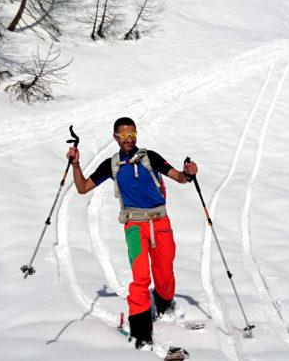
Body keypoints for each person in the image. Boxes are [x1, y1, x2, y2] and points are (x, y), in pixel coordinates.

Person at [67, 117, 198, 348]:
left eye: (132, 136)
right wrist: (76, 165)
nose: (128, 140)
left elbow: (178, 177)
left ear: (136, 135)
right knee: (140, 276)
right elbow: (82, 188)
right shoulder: (112, 164)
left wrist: (188, 173)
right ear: (115, 137)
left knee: (165, 271)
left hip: (160, 222)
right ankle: (140, 328)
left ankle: (164, 303)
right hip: (134, 226)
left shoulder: (151, 157)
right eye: (124, 136)